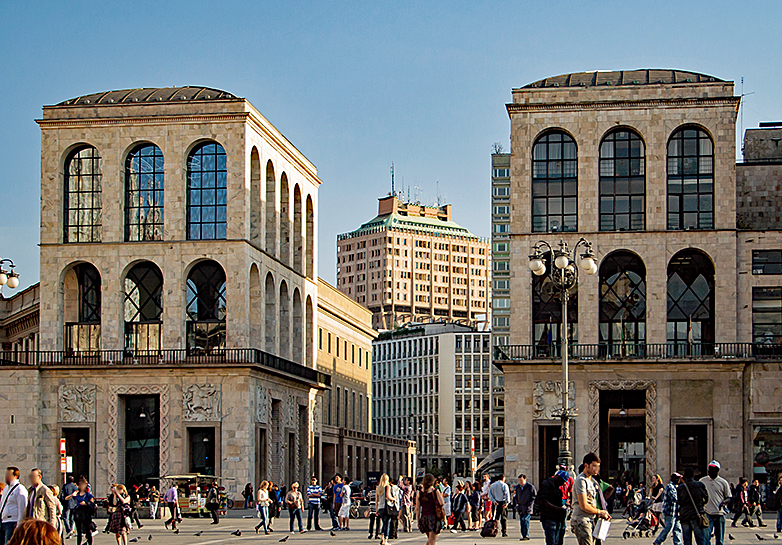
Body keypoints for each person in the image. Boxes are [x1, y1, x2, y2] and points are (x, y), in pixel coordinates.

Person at [571, 453, 611, 545]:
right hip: (582, 520)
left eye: (598, 466)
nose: (597, 469)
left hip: (590, 519)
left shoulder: (592, 481)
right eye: (594, 466)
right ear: (586, 465)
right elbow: (584, 505)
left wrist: (600, 513)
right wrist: (599, 512)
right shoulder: (581, 480)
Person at [700, 460, 732, 545]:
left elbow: (728, 497)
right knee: (706, 537)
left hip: (720, 513)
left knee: (719, 538)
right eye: (710, 469)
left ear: (718, 471)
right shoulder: (702, 481)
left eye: (713, 469)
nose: (711, 471)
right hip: (707, 512)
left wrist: (723, 503)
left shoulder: (723, 482)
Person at [535, 470, 568, 545]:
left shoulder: (557, 487)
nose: (563, 483)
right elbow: (543, 501)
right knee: (552, 541)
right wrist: (557, 508)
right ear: (558, 477)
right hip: (549, 517)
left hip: (558, 518)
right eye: (562, 481)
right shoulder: (547, 485)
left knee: (558, 541)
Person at [677, 467, 708, 545]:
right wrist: (701, 504)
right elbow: (706, 498)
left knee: (687, 540)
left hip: (684, 515)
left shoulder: (680, 488)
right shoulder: (699, 485)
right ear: (693, 475)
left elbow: (679, 501)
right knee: (700, 539)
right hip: (696, 515)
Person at [1, 467, 29, 545]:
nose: (6, 476)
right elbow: (2, 503)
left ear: (15, 476)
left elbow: (22, 508)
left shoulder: (20, 489)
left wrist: (19, 525)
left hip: (12, 521)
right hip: (4, 521)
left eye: (8, 474)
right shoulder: (6, 488)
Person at [653, 473, 683, 545]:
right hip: (670, 511)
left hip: (676, 511)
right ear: (673, 478)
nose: (679, 480)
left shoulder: (676, 487)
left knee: (677, 529)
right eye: (678, 479)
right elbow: (675, 498)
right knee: (668, 528)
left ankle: (678, 543)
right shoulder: (670, 487)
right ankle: (658, 541)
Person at [65, 476, 95, 545]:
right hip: (78, 513)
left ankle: (89, 542)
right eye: (80, 484)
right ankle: (79, 543)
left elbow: (92, 503)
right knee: (79, 531)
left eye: (82, 484)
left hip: (86, 513)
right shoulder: (77, 494)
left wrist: (86, 503)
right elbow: (66, 498)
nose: (81, 486)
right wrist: (72, 495)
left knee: (87, 530)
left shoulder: (88, 494)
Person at [415, 474, 444, 545]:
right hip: (434, 517)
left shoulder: (420, 493)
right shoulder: (435, 491)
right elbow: (442, 503)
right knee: (432, 542)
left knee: (430, 540)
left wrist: (418, 520)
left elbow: (417, 508)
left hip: (424, 517)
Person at [513, 474, 536, 541]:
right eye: (519, 480)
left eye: (521, 480)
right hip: (520, 507)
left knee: (525, 521)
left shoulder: (530, 487)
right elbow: (516, 496)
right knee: (522, 521)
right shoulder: (518, 487)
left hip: (527, 507)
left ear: (525, 480)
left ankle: (526, 535)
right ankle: (523, 535)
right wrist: (516, 504)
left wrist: (530, 505)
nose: (520, 482)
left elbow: (534, 496)